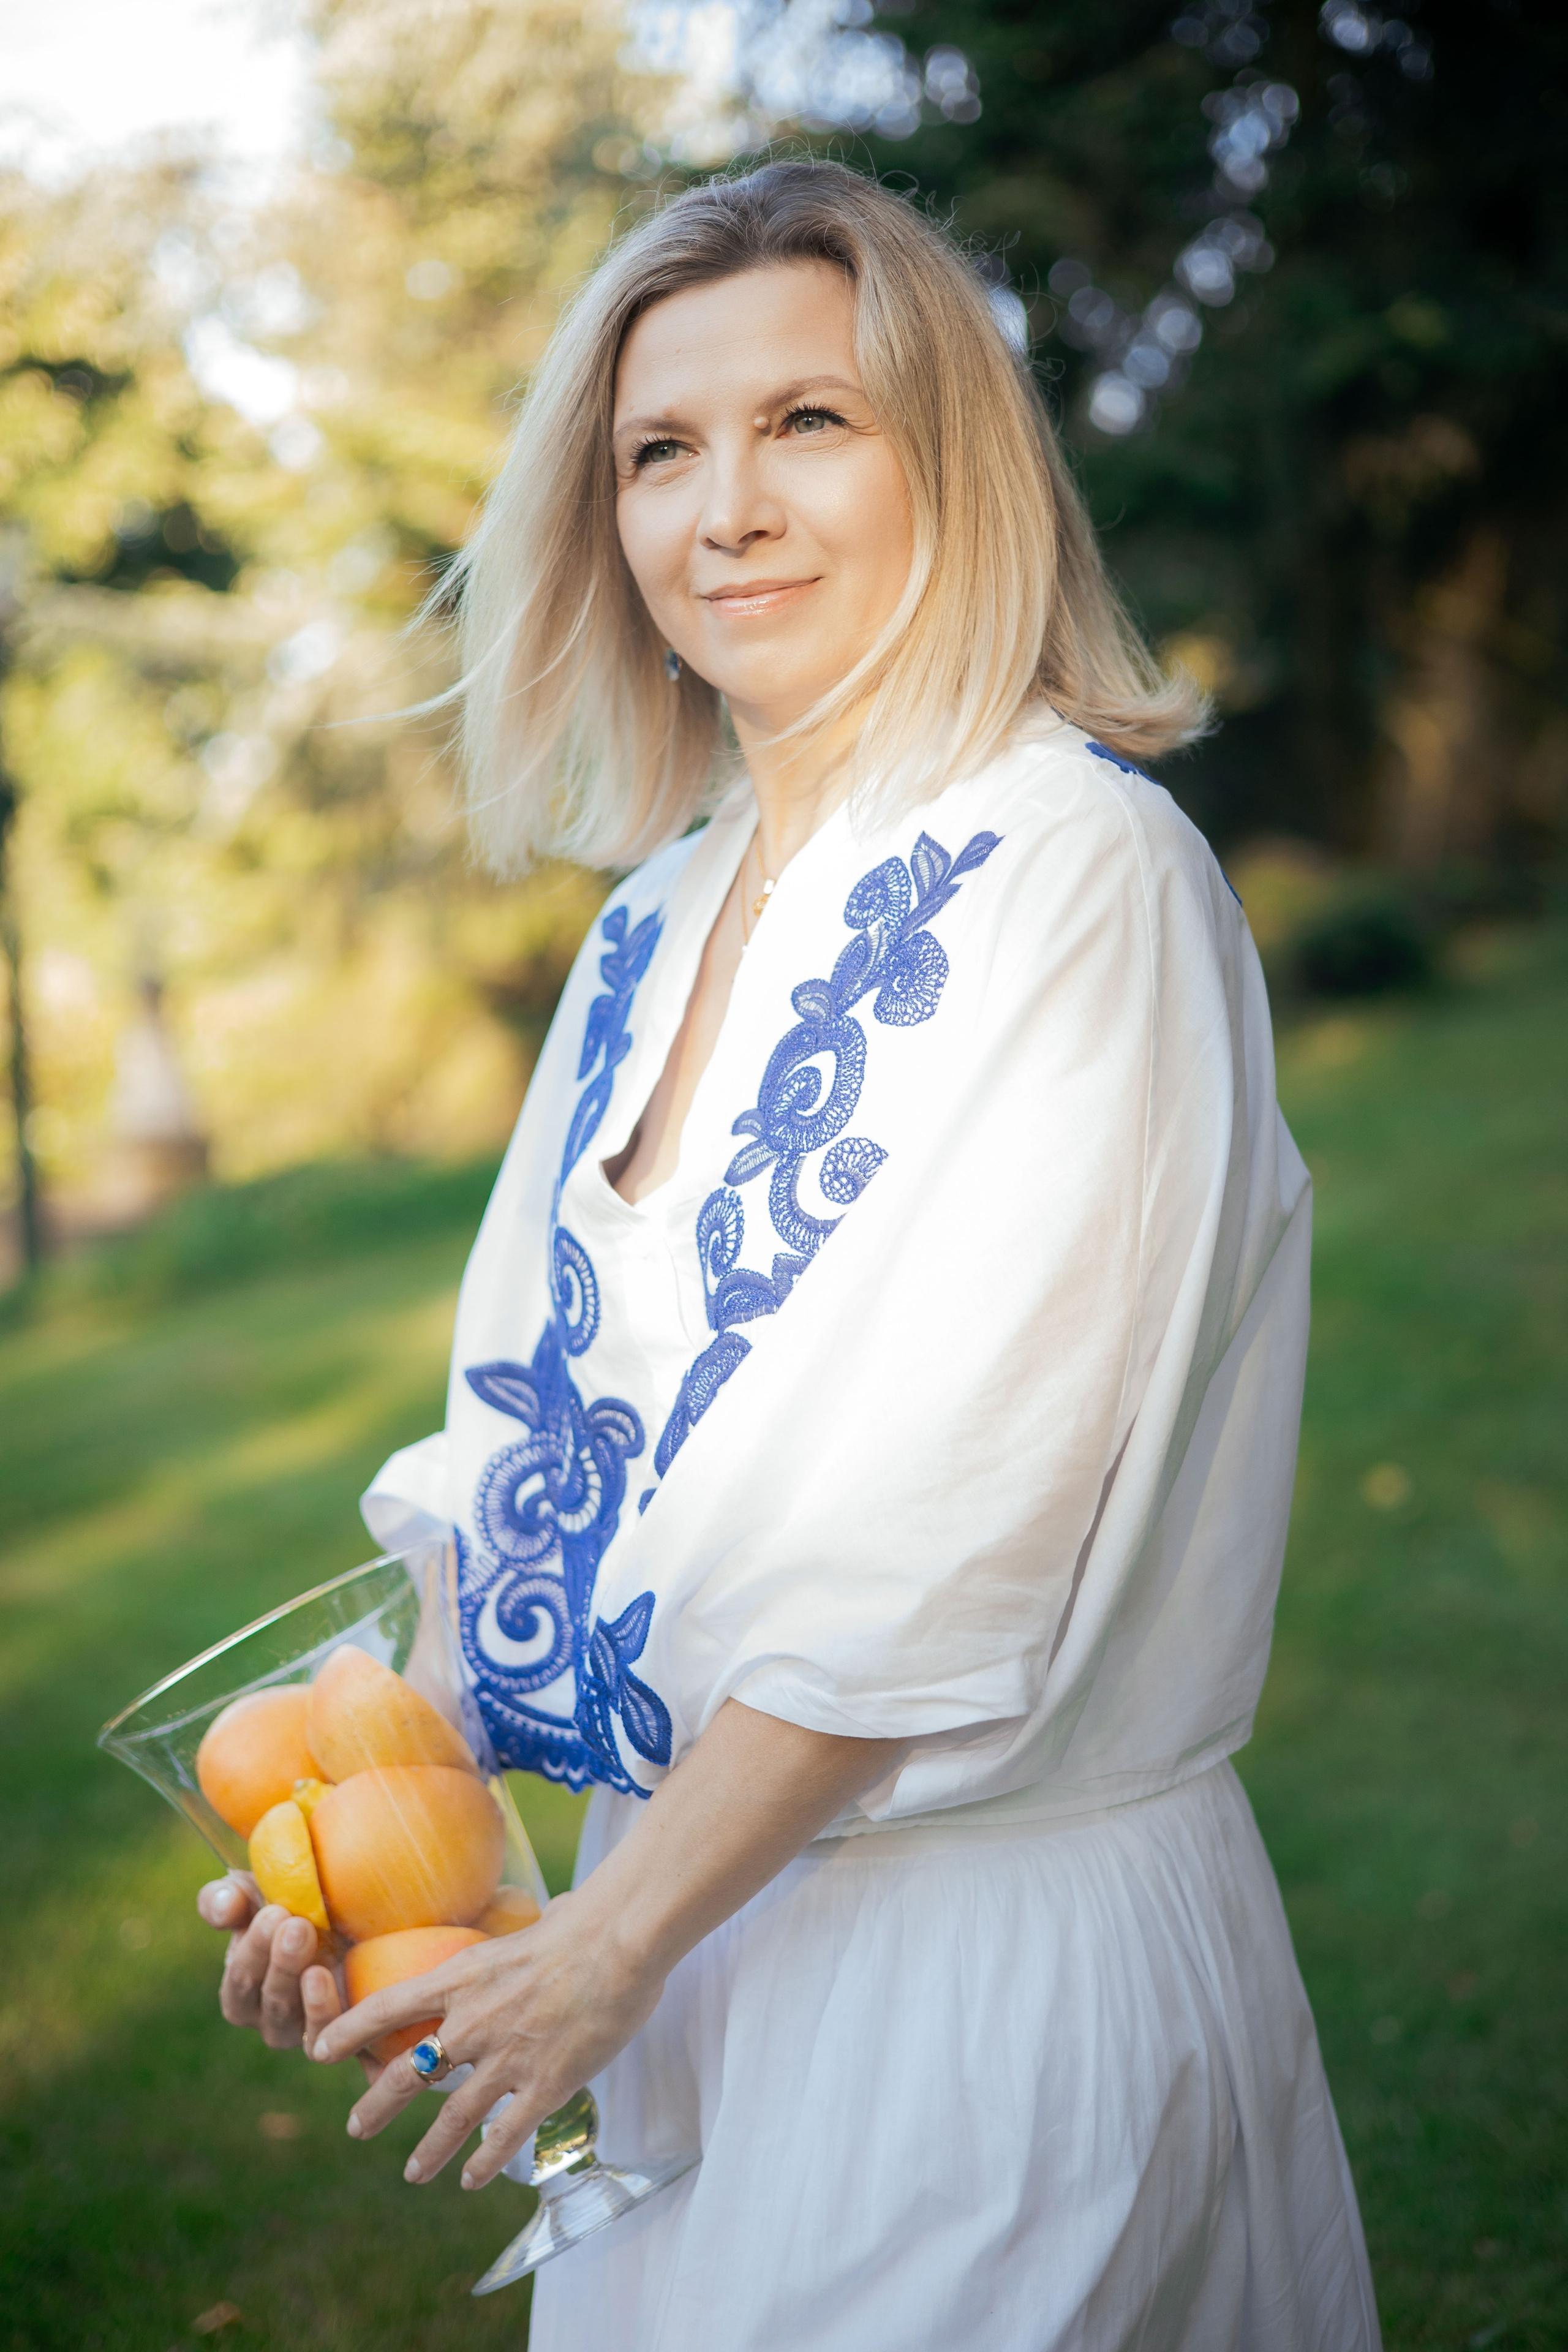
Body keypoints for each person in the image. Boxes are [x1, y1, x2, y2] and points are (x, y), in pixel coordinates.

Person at [200, 159, 1381, 2349]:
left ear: (961, 465)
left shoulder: (1081, 880)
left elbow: (945, 1534)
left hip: (979, 1994)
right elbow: (529, 1443)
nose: (725, 507)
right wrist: (369, 1849)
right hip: (656, 1994)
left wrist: (616, 1935)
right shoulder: (652, 922)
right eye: (663, 450)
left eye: (808, 423)